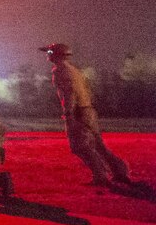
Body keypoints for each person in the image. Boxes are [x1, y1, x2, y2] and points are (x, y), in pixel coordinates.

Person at [42, 43, 132, 186]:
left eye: (49, 52)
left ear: (56, 55)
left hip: (79, 112)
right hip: (88, 110)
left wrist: (69, 114)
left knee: (80, 146)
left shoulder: (60, 71)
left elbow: (69, 93)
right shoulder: (74, 70)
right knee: (98, 145)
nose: (47, 54)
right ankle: (120, 170)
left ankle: (100, 175)